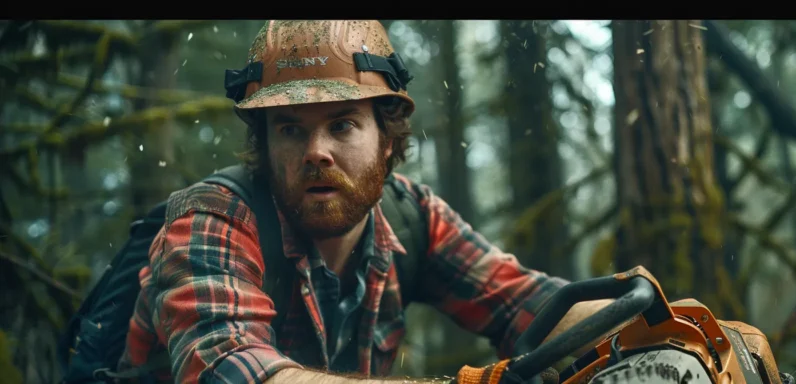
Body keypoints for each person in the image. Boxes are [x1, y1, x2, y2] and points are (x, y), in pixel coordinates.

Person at [117, 20, 612, 384]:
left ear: (389, 140)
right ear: (263, 147)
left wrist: (647, 328)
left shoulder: (412, 217)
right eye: (290, 129)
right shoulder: (212, 219)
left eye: (342, 125)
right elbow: (235, 373)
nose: (316, 153)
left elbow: (528, 304)